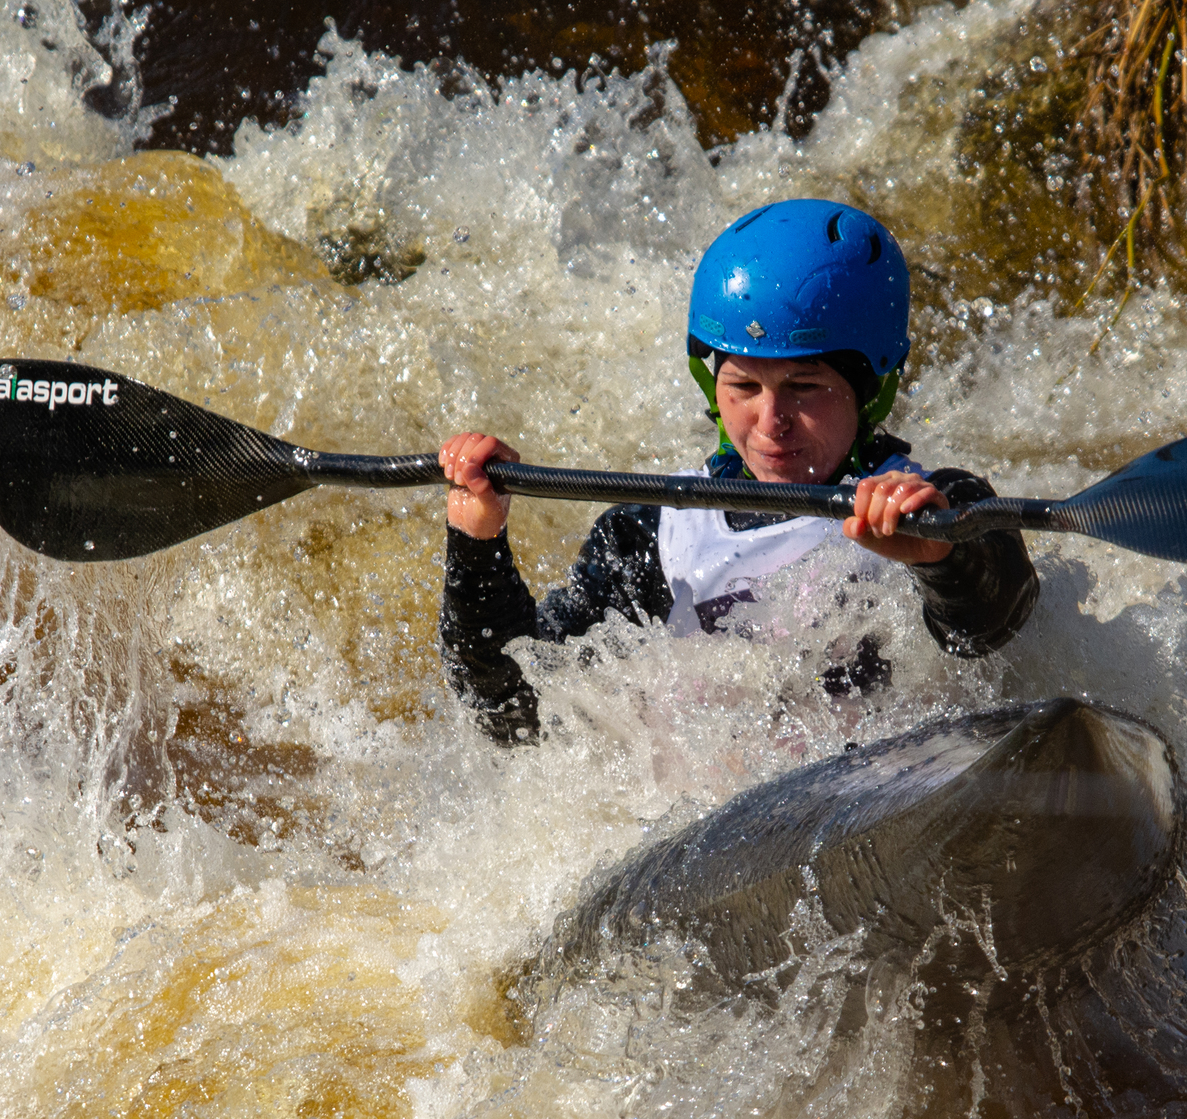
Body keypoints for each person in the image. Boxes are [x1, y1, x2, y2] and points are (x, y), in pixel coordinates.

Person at [438, 199, 1038, 744]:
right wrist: (477, 544)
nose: (771, 420)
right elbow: (514, 713)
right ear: (711, 387)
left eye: (805, 387)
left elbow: (995, 620)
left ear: (871, 389)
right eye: (744, 386)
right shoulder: (646, 537)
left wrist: (939, 556)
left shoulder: (940, 505)